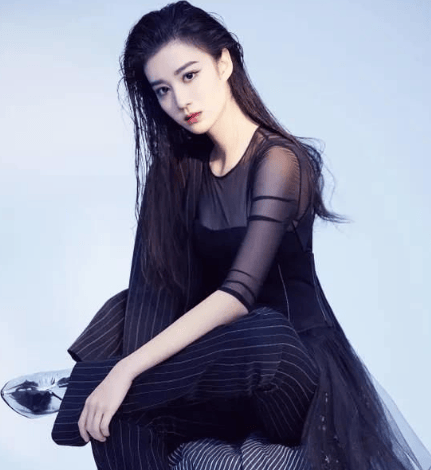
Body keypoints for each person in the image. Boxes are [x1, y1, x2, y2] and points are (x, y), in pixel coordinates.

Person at [7, 1, 429, 469]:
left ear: (224, 63)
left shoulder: (281, 161)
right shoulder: (174, 174)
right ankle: (94, 390)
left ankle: (81, 384)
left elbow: (239, 295)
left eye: (189, 76)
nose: (180, 101)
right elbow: (154, 290)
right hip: (216, 379)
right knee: (118, 413)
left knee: (262, 331)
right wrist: (120, 379)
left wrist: (124, 370)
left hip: (292, 374)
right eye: (163, 90)